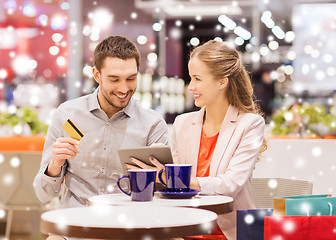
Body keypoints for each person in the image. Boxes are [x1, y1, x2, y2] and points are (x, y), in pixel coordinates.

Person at [130, 40, 266, 240]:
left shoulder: (250, 124)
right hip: (187, 229)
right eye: (191, 78)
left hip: (233, 233)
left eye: (197, 79)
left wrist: (177, 180)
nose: (190, 86)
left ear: (222, 81)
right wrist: (157, 175)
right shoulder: (182, 123)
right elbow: (174, 188)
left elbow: (229, 185)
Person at [33, 35, 168, 208]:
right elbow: (43, 194)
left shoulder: (153, 124)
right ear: (97, 74)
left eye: (131, 78)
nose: (123, 89)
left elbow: (162, 197)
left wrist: (162, 179)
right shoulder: (66, 114)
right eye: (114, 79)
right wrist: (55, 165)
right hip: (76, 227)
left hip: (129, 227)